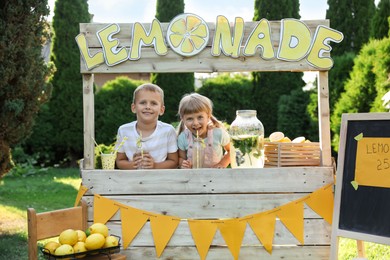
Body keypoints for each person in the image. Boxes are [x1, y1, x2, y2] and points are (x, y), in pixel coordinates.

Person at [115, 83, 178, 169]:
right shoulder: (123, 131)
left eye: (153, 103)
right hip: (132, 180)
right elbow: (119, 161)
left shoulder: (168, 131)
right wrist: (132, 165)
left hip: (160, 180)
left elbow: (174, 162)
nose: (148, 107)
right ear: (133, 108)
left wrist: (155, 165)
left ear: (161, 110)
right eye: (143, 102)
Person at [177, 93, 230, 169]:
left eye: (200, 117)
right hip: (192, 177)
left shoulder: (218, 134)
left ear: (208, 116)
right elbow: (180, 158)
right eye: (190, 119)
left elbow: (231, 151)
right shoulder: (183, 137)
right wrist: (183, 163)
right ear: (183, 119)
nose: (195, 123)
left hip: (216, 177)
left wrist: (222, 164)